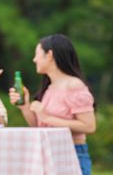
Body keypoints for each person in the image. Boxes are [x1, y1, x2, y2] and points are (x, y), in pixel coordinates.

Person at [9, 34, 96, 175]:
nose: (34, 59)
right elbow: (41, 126)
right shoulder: (50, 87)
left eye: (37, 54)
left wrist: (48, 117)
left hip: (72, 154)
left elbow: (89, 126)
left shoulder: (73, 85)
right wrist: (25, 106)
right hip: (50, 153)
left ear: (49, 55)